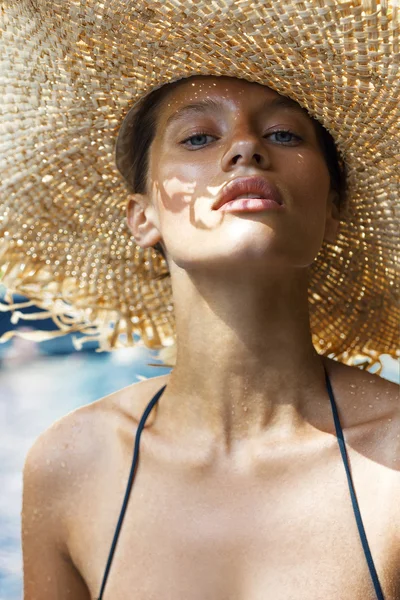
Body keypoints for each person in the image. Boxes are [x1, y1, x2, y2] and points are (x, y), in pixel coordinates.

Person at [0, 2, 398, 599]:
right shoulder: (72, 465)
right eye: (198, 136)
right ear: (143, 217)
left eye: (284, 134)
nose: (244, 149)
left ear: (333, 211)